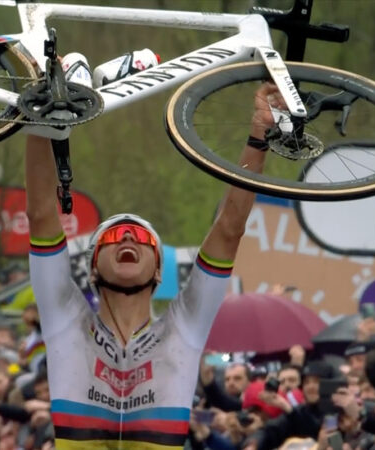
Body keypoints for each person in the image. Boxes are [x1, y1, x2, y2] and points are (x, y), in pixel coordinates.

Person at [25, 83, 282, 448]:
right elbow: (40, 215)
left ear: (159, 271)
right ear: (93, 269)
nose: (129, 238)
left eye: (142, 239)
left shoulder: (183, 328)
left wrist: (259, 134)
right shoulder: (65, 320)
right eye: (115, 236)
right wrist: (39, 118)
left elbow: (229, 229)